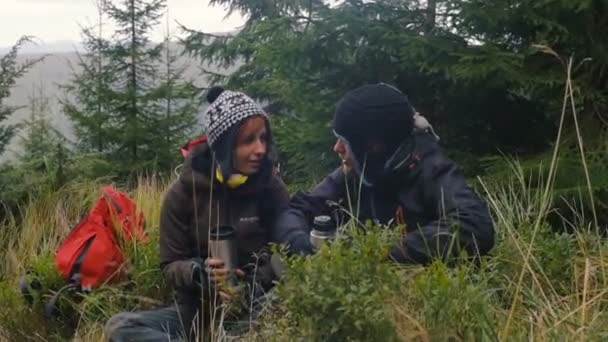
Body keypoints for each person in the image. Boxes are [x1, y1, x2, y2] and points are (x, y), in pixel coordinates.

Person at [105, 87, 289, 341]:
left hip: (255, 304)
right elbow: (170, 264)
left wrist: (253, 280)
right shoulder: (183, 193)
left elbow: (286, 252)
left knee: (289, 298)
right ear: (224, 146)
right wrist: (198, 273)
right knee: (120, 327)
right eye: (248, 140)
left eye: (263, 138)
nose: (260, 149)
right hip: (198, 311)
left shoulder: (271, 187)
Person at [273, 83, 495, 264]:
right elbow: (299, 208)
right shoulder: (360, 170)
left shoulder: (432, 169)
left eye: (345, 141)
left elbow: (475, 226)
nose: (337, 148)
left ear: (373, 147)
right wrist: (299, 241)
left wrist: (374, 252)